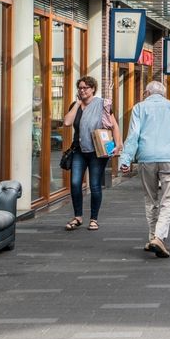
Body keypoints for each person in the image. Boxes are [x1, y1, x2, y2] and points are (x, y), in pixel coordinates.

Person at [119, 81, 170, 258]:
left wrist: (125, 160)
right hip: (169, 157)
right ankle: (159, 236)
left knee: (150, 199)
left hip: (146, 157)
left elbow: (133, 135)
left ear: (146, 92)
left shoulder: (139, 108)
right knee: (168, 199)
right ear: (163, 93)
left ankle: (152, 238)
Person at [63, 75, 122, 232]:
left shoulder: (102, 104)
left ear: (93, 89)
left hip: (98, 150)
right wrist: (77, 104)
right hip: (78, 150)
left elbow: (114, 126)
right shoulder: (75, 105)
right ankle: (78, 217)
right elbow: (67, 122)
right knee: (75, 183)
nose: (82, 91)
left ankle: (94, 219)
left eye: (85, 88)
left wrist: (118, 145)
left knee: (95, 185)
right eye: (80, 88)